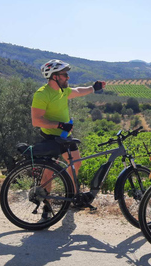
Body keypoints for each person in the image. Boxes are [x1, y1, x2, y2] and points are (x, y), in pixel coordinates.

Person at [31, 59, 105, 198]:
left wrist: (93, 88)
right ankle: (45, 202)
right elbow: (36, 120)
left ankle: (71, 195)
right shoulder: (42, 94)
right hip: (51, 137)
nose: (68, 77)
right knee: (48, 171)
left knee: (76, 164)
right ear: (55, 76)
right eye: (64, 74)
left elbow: (77, 91)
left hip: (65, 135)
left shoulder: (62, 90)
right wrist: (59, 124)